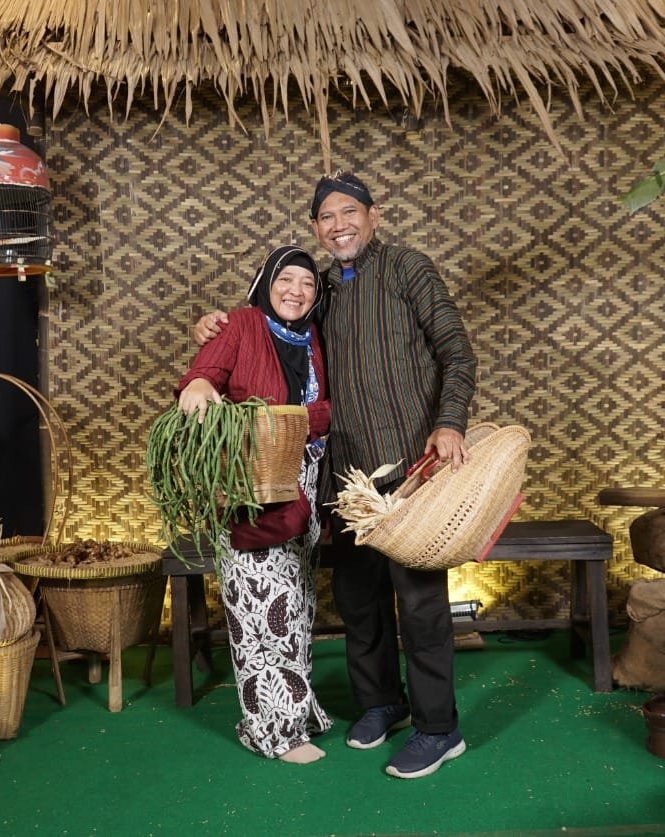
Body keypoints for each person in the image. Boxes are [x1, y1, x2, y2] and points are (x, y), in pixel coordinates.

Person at [195, 172, 477, 779]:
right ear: (316, 228)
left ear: (373, 216)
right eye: (327, 217)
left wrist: (450, 422)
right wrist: (219, 325)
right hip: (345, 480)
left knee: (420, 604)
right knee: (358, 600)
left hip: (409, 472)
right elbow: (276, 324)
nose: (339, 225)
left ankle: (438, 728)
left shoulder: (407, 268)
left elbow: (457, 351)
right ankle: (381, 703)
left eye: (349, 212)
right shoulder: (318, 288)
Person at [176, 244, 333, 765]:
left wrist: (310, 419)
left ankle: (297, 712)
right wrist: (199, 385)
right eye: (286, 279)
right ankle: (273, 731)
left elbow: (328, 406)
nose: (296, 291)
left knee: (297, 607)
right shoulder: (242, 325)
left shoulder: (315, 337)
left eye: (307, 283)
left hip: (305, 489)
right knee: (263, 611)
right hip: (253, 488)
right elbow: (206, 372)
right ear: (266, 283)